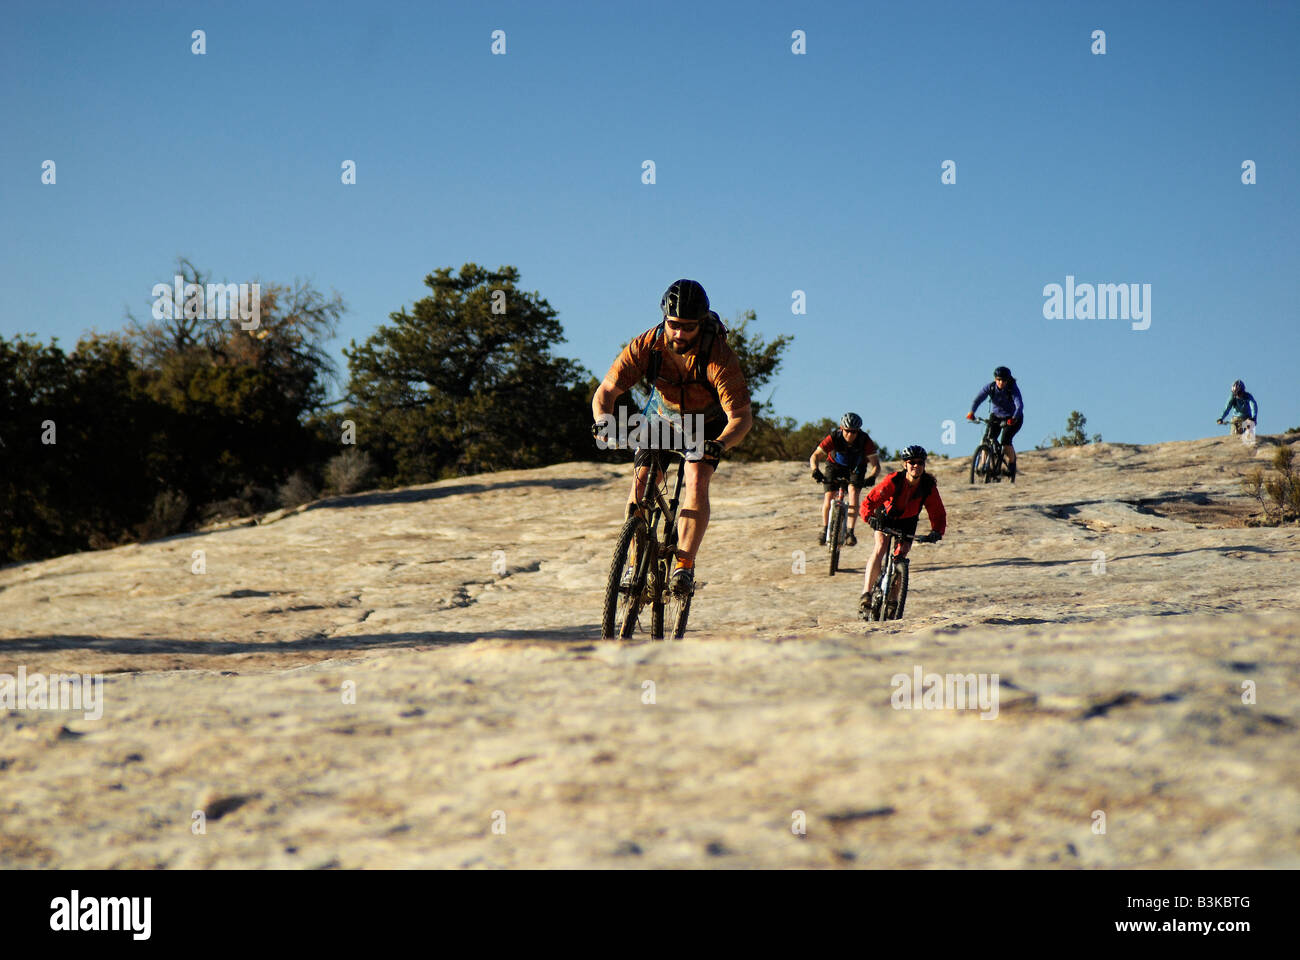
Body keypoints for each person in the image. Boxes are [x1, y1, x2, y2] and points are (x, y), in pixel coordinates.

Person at [591, 279, 752, 596]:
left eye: (688, 327)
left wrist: (719, 444)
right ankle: (633, 562)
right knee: (641, 482)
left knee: (696, 477)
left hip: (703, 425)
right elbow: (606, 391)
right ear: (664, 318)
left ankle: (684, 567)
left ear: (701, 324)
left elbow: (741, 418)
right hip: (661, 419)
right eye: (673, 325)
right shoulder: (647, 345)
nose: (679, 333)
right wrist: (602, 422)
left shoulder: (719, 357)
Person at [858, 445, 946, 616]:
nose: (916, 466)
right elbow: (870, 500)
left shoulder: (928, 486)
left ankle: (893, 600)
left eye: (920, 462)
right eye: (911, 462)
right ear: (905, 464)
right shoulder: (894, 481)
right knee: (881, 546)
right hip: (885, 516)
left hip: (908, 521)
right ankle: (866, 594)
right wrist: (869, 517)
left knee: (901, 556)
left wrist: (937, 531)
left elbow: (938, 511)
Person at [809, 412, 880, 547]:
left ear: (858, 430)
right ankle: (825, 529)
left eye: (854, 432)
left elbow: (876, 465)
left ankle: (850, 532)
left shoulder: (865, 440)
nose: (850, 435)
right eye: (847, 431)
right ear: (842, 428)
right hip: (834, 465)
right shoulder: (834, 437)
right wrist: (815, 470)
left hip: (856, 467)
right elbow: (815, 456)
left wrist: (872, 477)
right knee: (829, 496)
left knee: (853, 492)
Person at [965, 365, 1024, 482]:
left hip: (1013, 418)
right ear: (995, 379)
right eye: (998, 379)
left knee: (1005, 441)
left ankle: (1011, 465)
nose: (1001, 382)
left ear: (1008, 380)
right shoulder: (990, 387)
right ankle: (983, 465)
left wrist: (1014, 418)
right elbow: (978, 399)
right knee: (987, 439)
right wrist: (972, 412)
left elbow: (1019, 405)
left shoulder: (1012, 389)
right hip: (996, 417)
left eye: (1003, 380)